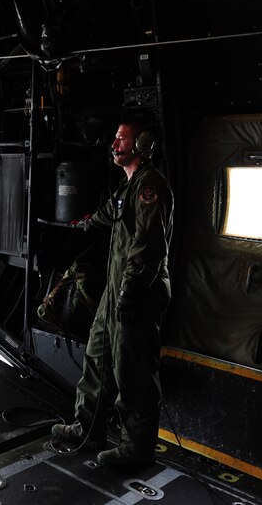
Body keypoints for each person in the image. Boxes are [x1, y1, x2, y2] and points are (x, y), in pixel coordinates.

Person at [51, 119, 174, 468]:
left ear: (143, 144)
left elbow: (148, 249)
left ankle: (137, 449)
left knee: (132, 369)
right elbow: (112, 213)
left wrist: (129, 295)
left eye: (122, 139)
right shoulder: (127, 188)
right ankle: (88, 429)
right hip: (117, 290)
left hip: (138, 293)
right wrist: (87, 222)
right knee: (98, 356)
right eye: (115, 138)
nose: (115, 145)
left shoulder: (150, 188)